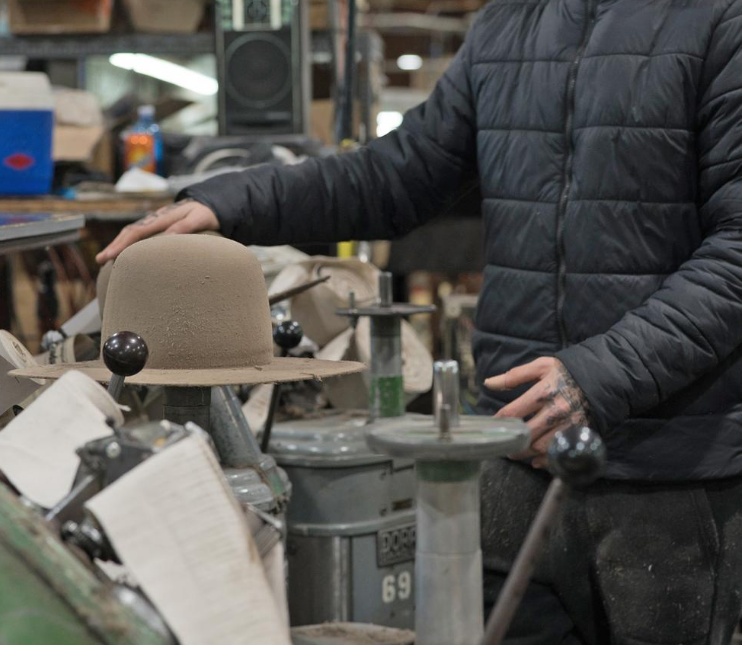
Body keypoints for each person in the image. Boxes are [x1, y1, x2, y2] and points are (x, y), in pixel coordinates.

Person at [99, 0, 742, 641]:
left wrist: (600, 377)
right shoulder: (510, 25)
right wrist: (227, 203)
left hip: (668, 478)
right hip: (514, 454)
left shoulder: (719, 21)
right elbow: (395, 176)